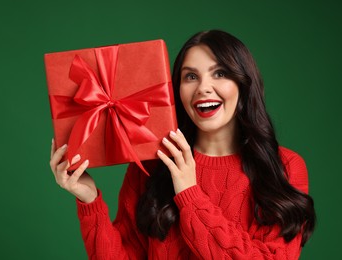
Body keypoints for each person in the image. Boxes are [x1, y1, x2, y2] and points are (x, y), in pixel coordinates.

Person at [50, 30, 316, 259]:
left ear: (243, 84)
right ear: (176, 90)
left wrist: (190, 193)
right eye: (191, 77)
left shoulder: (285, 167)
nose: (203, 88)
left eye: (220, 73)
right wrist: (89, 200)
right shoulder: (152, 164)